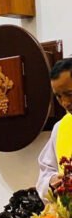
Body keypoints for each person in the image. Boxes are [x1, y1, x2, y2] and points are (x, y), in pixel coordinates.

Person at [37, 58, 72, 201]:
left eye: (69, 94)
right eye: (58, 96)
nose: (65, 103)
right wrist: (51, 182)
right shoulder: (61, 128)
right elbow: (46, 172)